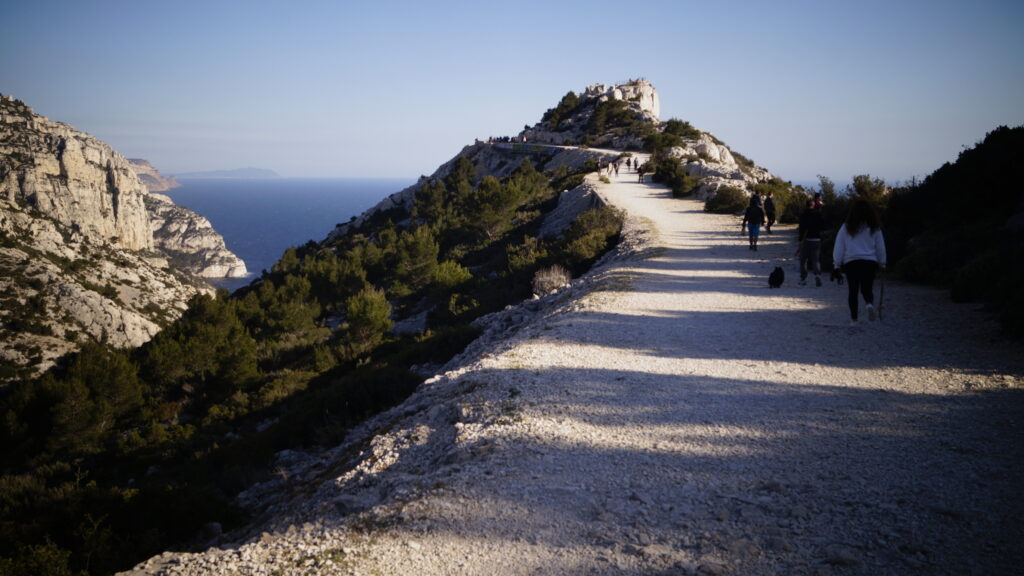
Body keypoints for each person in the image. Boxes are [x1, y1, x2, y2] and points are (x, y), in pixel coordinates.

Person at [833, 198, 887, 324]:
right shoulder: (874, 227)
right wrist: (882, 263)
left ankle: (854, 319)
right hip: (870, 262)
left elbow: (839, 246)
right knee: (867, 288)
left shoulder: (846, 227)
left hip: (851, 262)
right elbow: (880, 246)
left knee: (853, 290)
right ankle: (869, 304)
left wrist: (836, 263)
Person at [796, 198, 826, 286]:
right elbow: (823, 226)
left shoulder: (804, 214)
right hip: (816, 239)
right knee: (815, 260)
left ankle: (803, 279)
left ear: (806, 205)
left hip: (806, 239)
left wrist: (800, 240)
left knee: (803, 260)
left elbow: (802, 228)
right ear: (813, 205)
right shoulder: (818, 214)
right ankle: (817, 275)